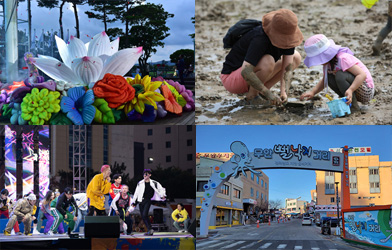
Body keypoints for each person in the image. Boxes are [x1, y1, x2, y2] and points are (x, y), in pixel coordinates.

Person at [220, 9, 303, 106]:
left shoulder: (289, 38)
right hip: (232, 78)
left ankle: (261, 92)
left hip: (251, 75)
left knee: (295, 57)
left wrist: (284, 92)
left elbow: (287, 69)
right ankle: (252, 96)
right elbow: (246, 71)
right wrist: (270, 95)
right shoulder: (260, 37)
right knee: (268, 61)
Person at [300, 34, 375, 112]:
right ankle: (346, 102)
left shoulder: (342, 59)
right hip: (351, 92)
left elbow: (362, 75)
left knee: (340, 75)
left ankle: (354, 107)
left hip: (366, 91)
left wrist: (350, 90)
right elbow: (324, 80)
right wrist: (313, 92)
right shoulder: (327, 65)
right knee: (329, 76)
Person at [131, 169, 166, 236]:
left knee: (144, 214)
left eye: (147, 174)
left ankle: (150, 229)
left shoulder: (154, 183)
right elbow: (136, 193)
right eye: (144, 174)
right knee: (143, 216)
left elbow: (161, 189)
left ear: (150, 175)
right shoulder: (140, 183)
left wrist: (162, 195)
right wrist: (134, 202)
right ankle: (149, 230)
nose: (145, 175)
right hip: (140, 200)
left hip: (148, 200)